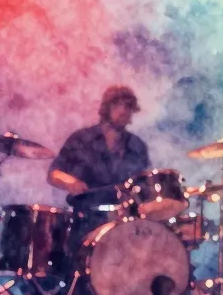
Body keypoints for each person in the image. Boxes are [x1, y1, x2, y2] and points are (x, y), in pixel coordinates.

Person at [47, 85, 150, 249]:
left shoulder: (137, 146)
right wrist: (71, 182)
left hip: (124, 225)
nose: (123, 110)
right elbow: (54, 173)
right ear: (106, 108)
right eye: (118, 105)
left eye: (128, 106)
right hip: (85, 221)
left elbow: (144, 187)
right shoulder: (81, 139)